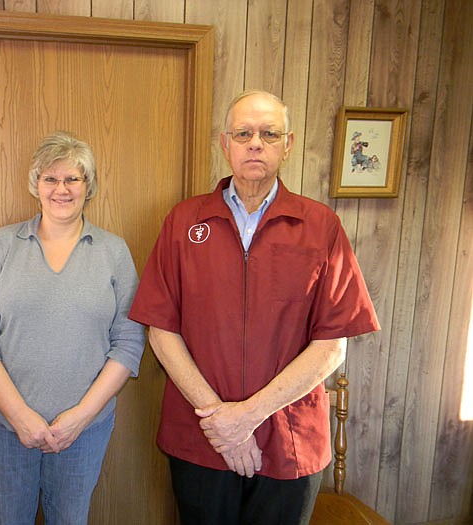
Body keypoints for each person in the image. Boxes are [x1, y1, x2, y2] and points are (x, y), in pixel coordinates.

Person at [129, 90, 380, 524]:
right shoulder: (184, 222)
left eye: (269, 133)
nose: (255, 143)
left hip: (290, 441)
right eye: (243, 133)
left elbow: (332, 344)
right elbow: (161, 330)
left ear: (289, 144)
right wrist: (222, 425)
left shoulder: (320, 226)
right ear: (225, 144)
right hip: (201, 437)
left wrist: (245, 417)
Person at [0, 131, 145, 525]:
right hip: (3, 427)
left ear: (88, 186)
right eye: (51, 178)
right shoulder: (2, 244)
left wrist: (80, 416)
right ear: (36, 185)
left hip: (85, 429)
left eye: (73, 179)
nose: (61, 189)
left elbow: (128, 342)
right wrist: (20, 416)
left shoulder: (114, 252)